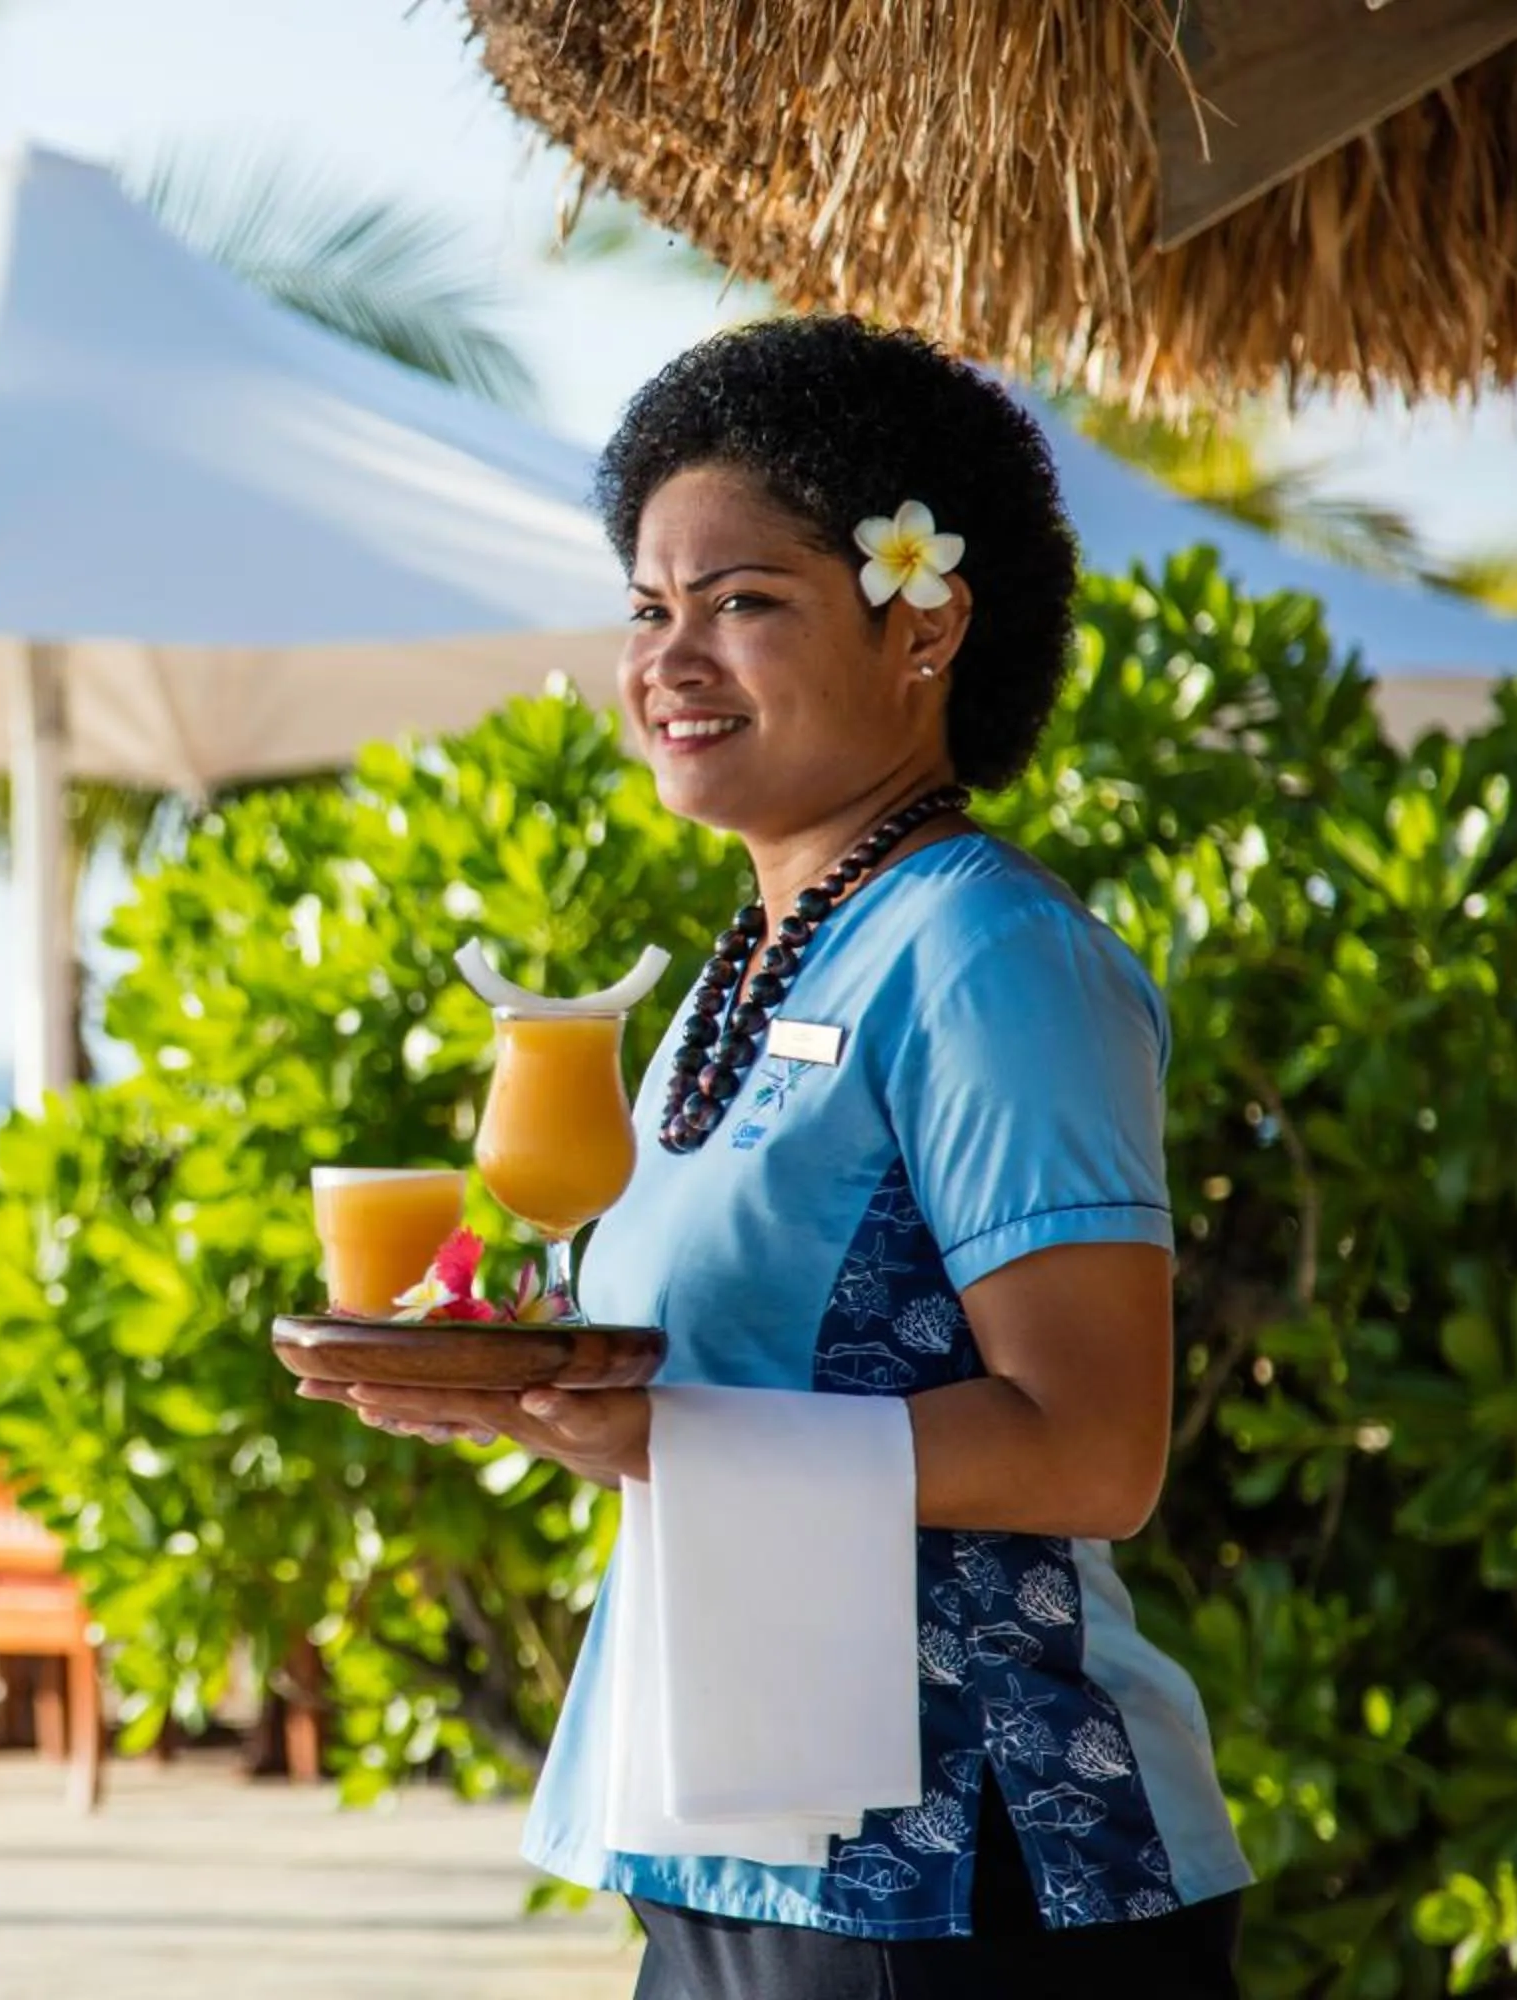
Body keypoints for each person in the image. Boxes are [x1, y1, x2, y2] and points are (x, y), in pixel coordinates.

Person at [300, 316, 1251, 1997]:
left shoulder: (989, 956)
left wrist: (657, 1430)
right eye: (648, 608)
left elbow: (1095, 1450)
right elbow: (724, 1381)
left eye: (742, 602)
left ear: (926, 623)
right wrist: (518, 1380)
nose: (670, 658)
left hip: (977, 1864)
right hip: (736, 1831)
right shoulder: (750, 967)